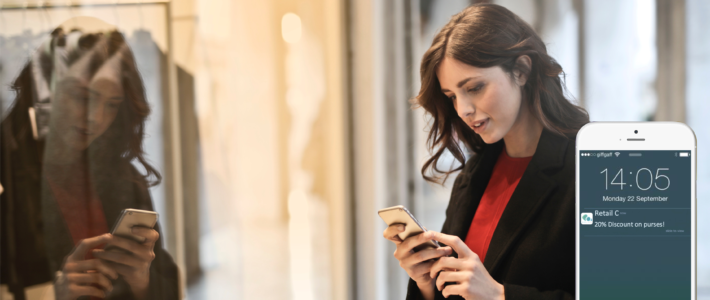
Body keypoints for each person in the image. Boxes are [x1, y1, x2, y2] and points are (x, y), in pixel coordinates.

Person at [383, 4, 589, 300]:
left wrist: (500, 296)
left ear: (521, 70)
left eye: (475, 88)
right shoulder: (475, 173)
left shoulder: (592, 170)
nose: (463, 110)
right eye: (452, 96)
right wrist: (427, 283)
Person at [0, 20, 178, 299]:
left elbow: (166, 283)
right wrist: (54, 294)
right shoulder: (7, 176)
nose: (95, 118)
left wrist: (142, 281)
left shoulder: (122, 178)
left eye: (111, 105)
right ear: (46, 93)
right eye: (82, 97)